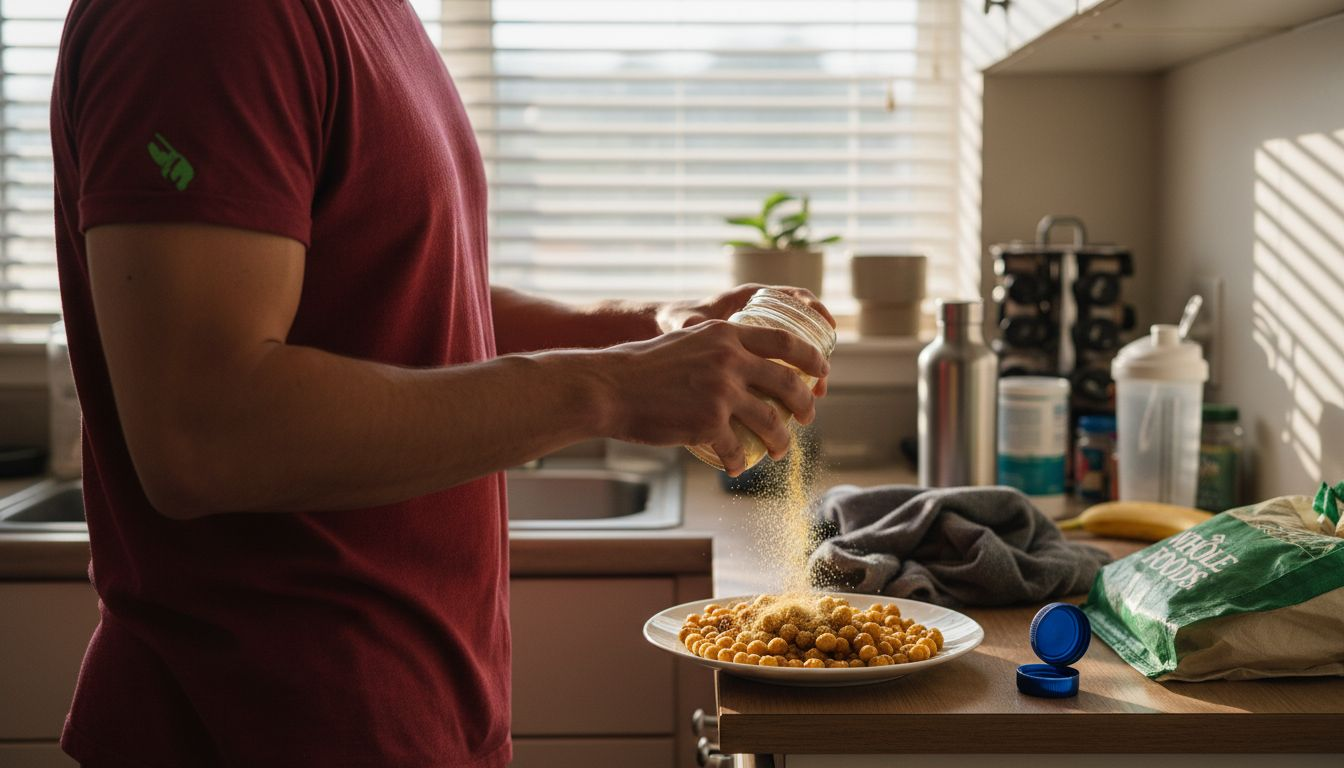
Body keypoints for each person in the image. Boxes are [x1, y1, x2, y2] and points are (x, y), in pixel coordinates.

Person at [51, 1, 832, 766]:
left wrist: (643, 331)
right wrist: (612, 387)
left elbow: (404, 292)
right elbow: (205, 433)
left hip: (400, 715)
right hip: (267, 721)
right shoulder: (205, 19)